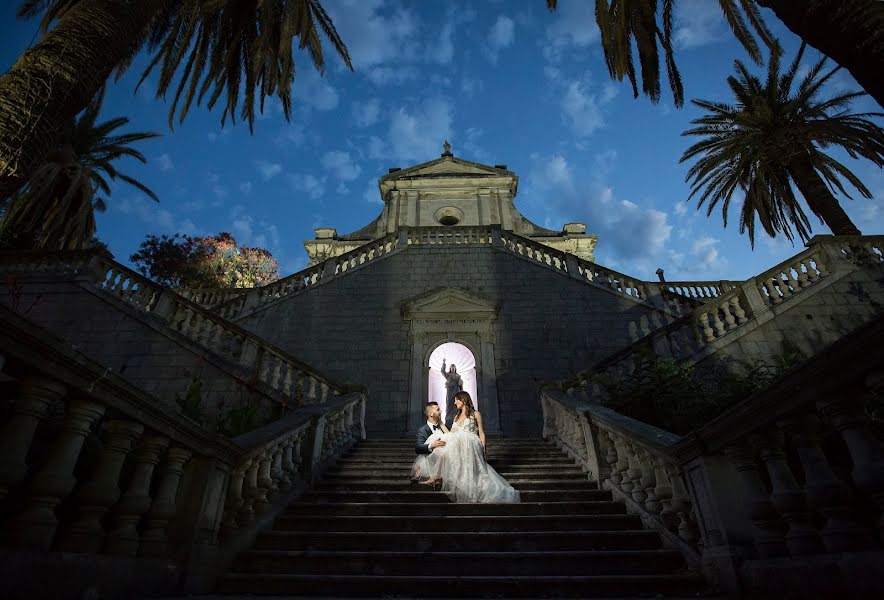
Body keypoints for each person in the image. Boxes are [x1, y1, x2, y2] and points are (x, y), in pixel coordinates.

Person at [412, 391, 520, 504]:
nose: (454, 402)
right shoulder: (456, 417)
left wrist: (484, 450)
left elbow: (481, 433)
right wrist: (441, 424)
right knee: (440, 439)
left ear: (463, 400)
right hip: (460, 444)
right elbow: (451, 434)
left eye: (456, 400)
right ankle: (435, 475)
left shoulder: (475, 414)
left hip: (471, 442)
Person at [440, 358, 462, 428]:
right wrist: (444, 363)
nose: (453, 368)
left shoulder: (458, 376)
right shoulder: (448, 375)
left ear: (455, 368)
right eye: (452, 367)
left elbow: (460, 385)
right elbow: (442, 371)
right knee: (449, 404)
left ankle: (457, 417)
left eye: (454, 367)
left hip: (456, 391)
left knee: (456, 405)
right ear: (450, 368)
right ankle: (449, 417)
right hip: (450, 392)